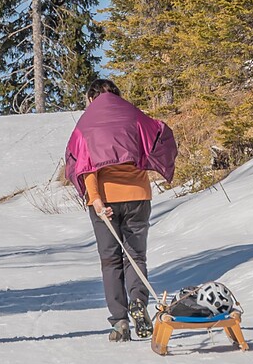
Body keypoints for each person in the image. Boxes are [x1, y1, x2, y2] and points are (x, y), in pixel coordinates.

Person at [63, 77, 178, 342]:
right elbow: (161, 136)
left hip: (105, 200)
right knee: (136, 257)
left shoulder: (87, 124)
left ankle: (120, 321)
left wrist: (97, 199)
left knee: (111, 260)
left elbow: (85, 165)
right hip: (138, 196)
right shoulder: (134, 116)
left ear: (91, 98)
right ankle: (138, 301)